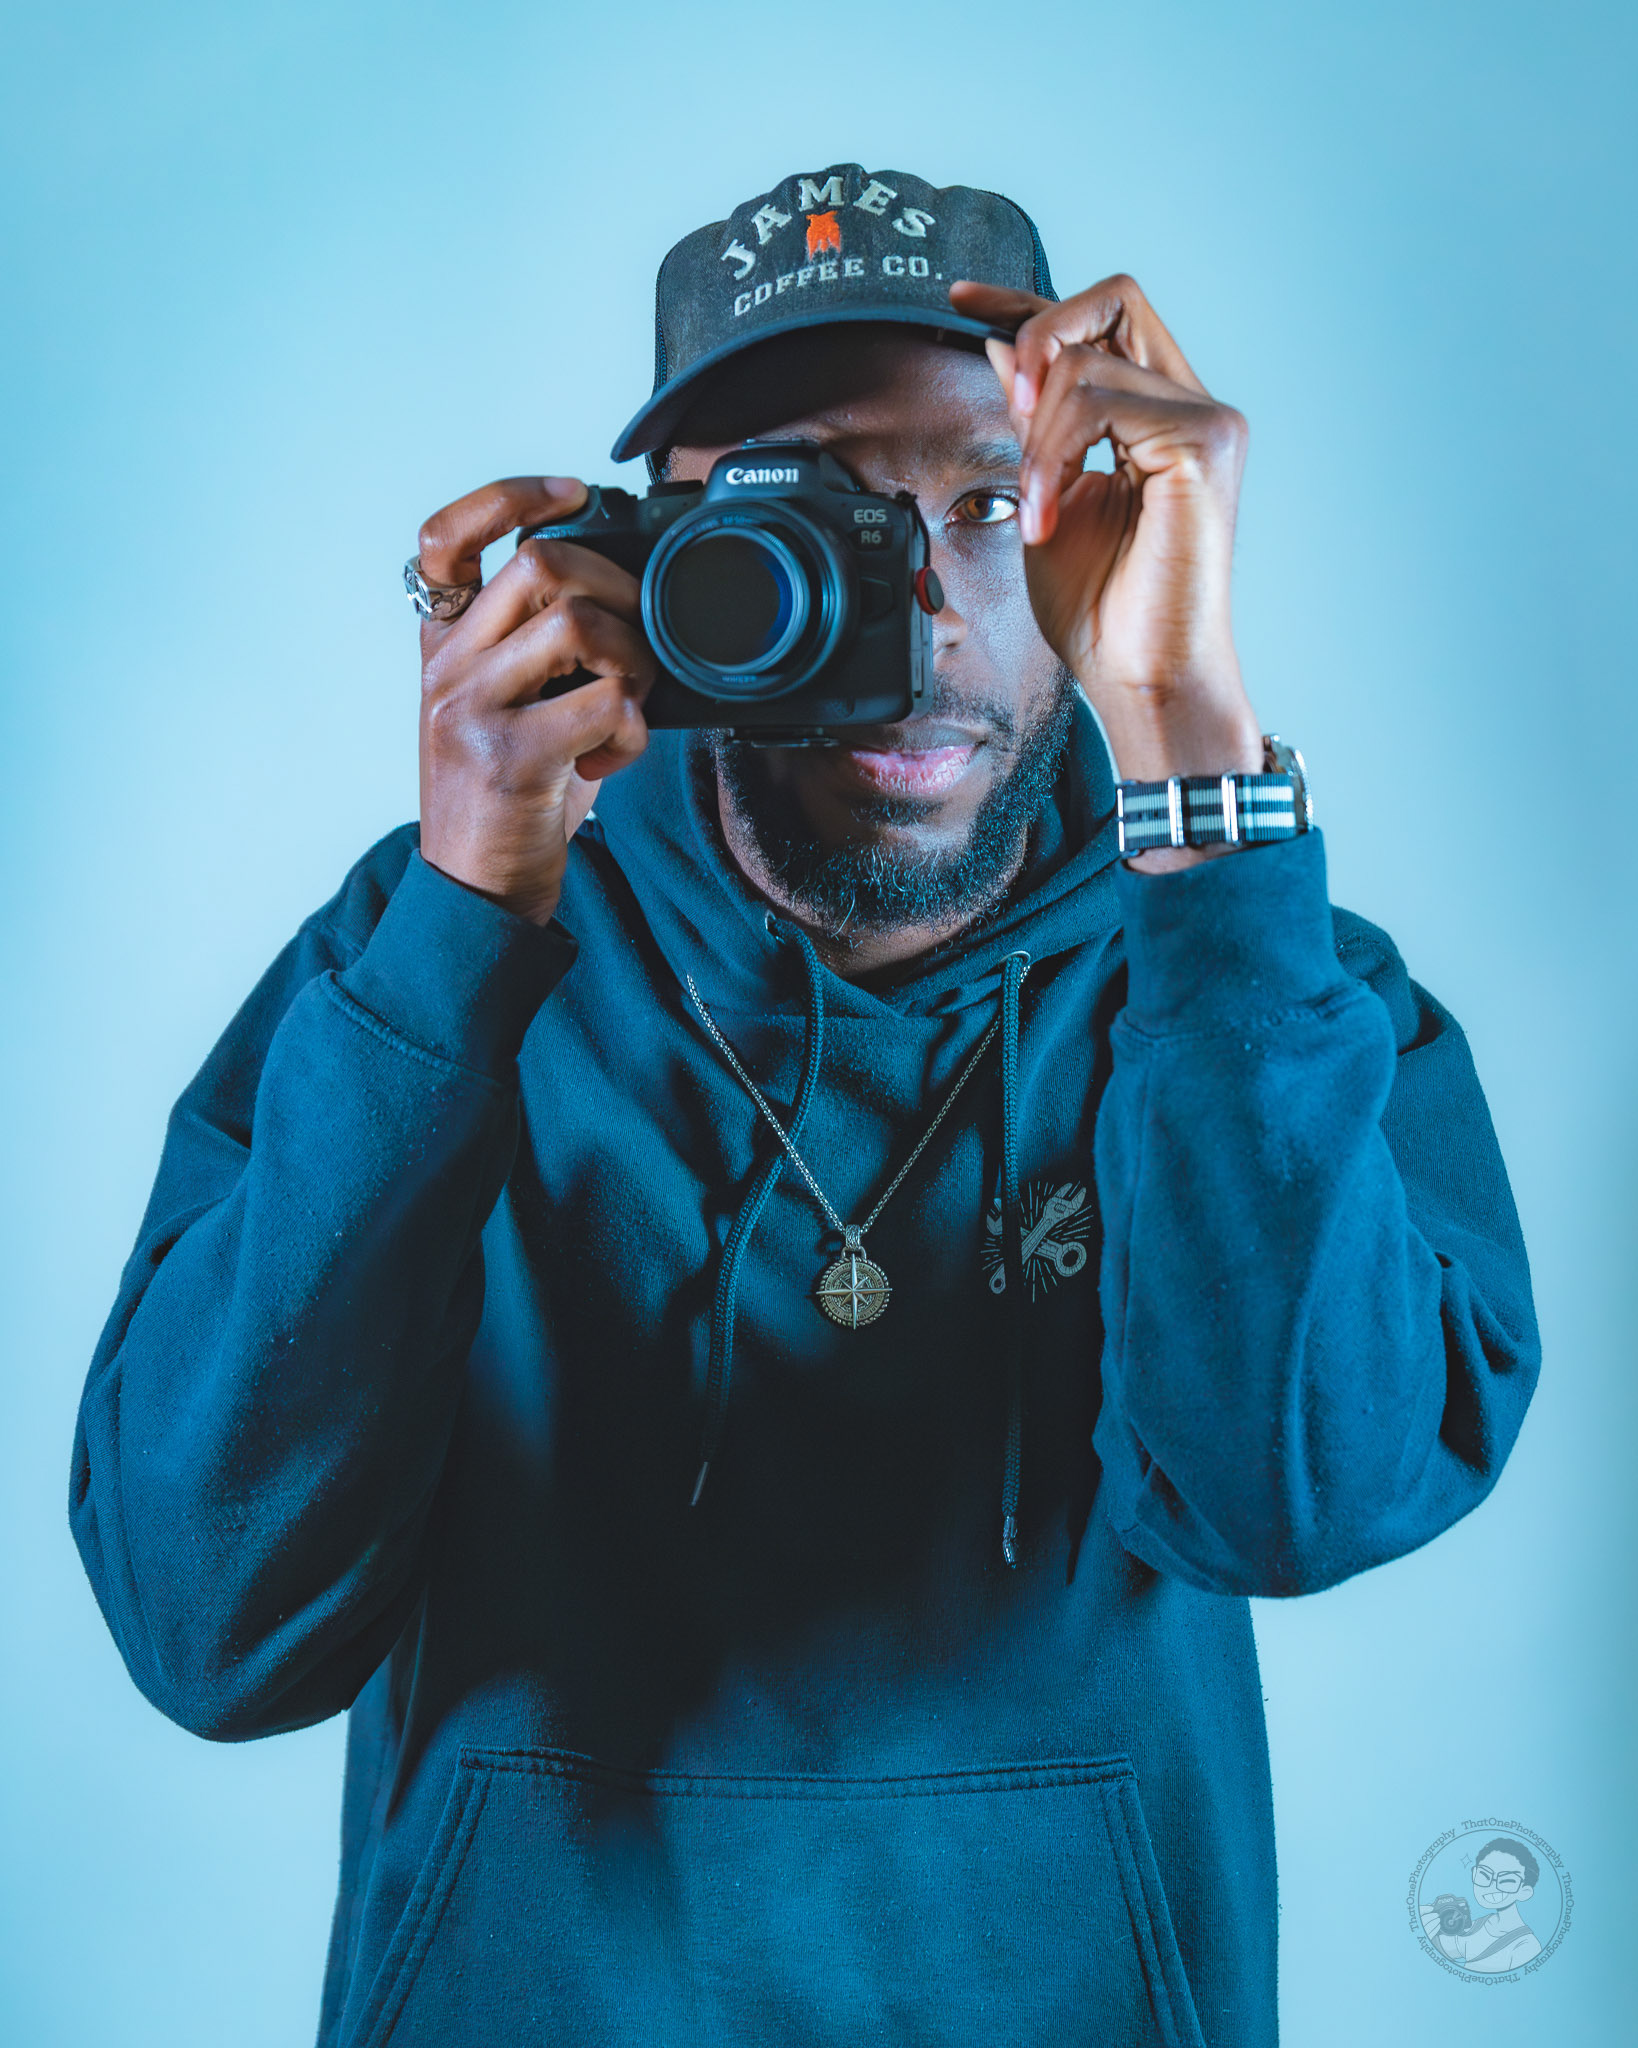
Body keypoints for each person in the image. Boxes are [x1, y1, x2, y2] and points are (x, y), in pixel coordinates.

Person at [70, 164, 1540, 2046]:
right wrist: (461, 921)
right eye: (806, 510)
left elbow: (1295, 1503)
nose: (911, 604)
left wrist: (1190, 745)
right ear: (641, 561)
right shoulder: (437, 941)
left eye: (988, 505)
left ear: (1110, 509)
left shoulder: (1250, 966)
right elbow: (208, 1625)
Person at [1421, 1838, 1544, 1972]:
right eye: (1484, 1875)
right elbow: (1440, 1953)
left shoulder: (1526, 1946)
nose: (1492, 1885)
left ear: (1525, 1892)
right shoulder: (1478, 1926)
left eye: (1507, 1880)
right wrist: (1425, 1932)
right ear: (1474, 1873)